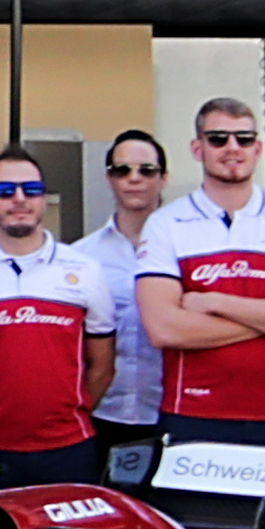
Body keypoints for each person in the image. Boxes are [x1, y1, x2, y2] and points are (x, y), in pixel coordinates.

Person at [137, 97, 265, 457]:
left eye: (243, 139)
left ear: (258, 148)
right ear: (198, 149)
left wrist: (217, 303)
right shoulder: (167, 223)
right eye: (218, 139)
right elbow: (164, 328)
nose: (232, 148)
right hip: (195, 413)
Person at [0, 153, 116, 487]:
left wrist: (68, 414)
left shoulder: (84, 270)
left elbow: (103, 365)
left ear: (44, 198)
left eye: (31, 189)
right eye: (6, 190)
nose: (20, 200)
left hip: (69, 448)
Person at [84, 127, 177, 479]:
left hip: (169, 412)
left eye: (146, 170)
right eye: (122, 170)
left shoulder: (189, 251)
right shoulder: (82, 257)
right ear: (109, 178)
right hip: (103, 415)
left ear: (164, 178)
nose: (134, 179)